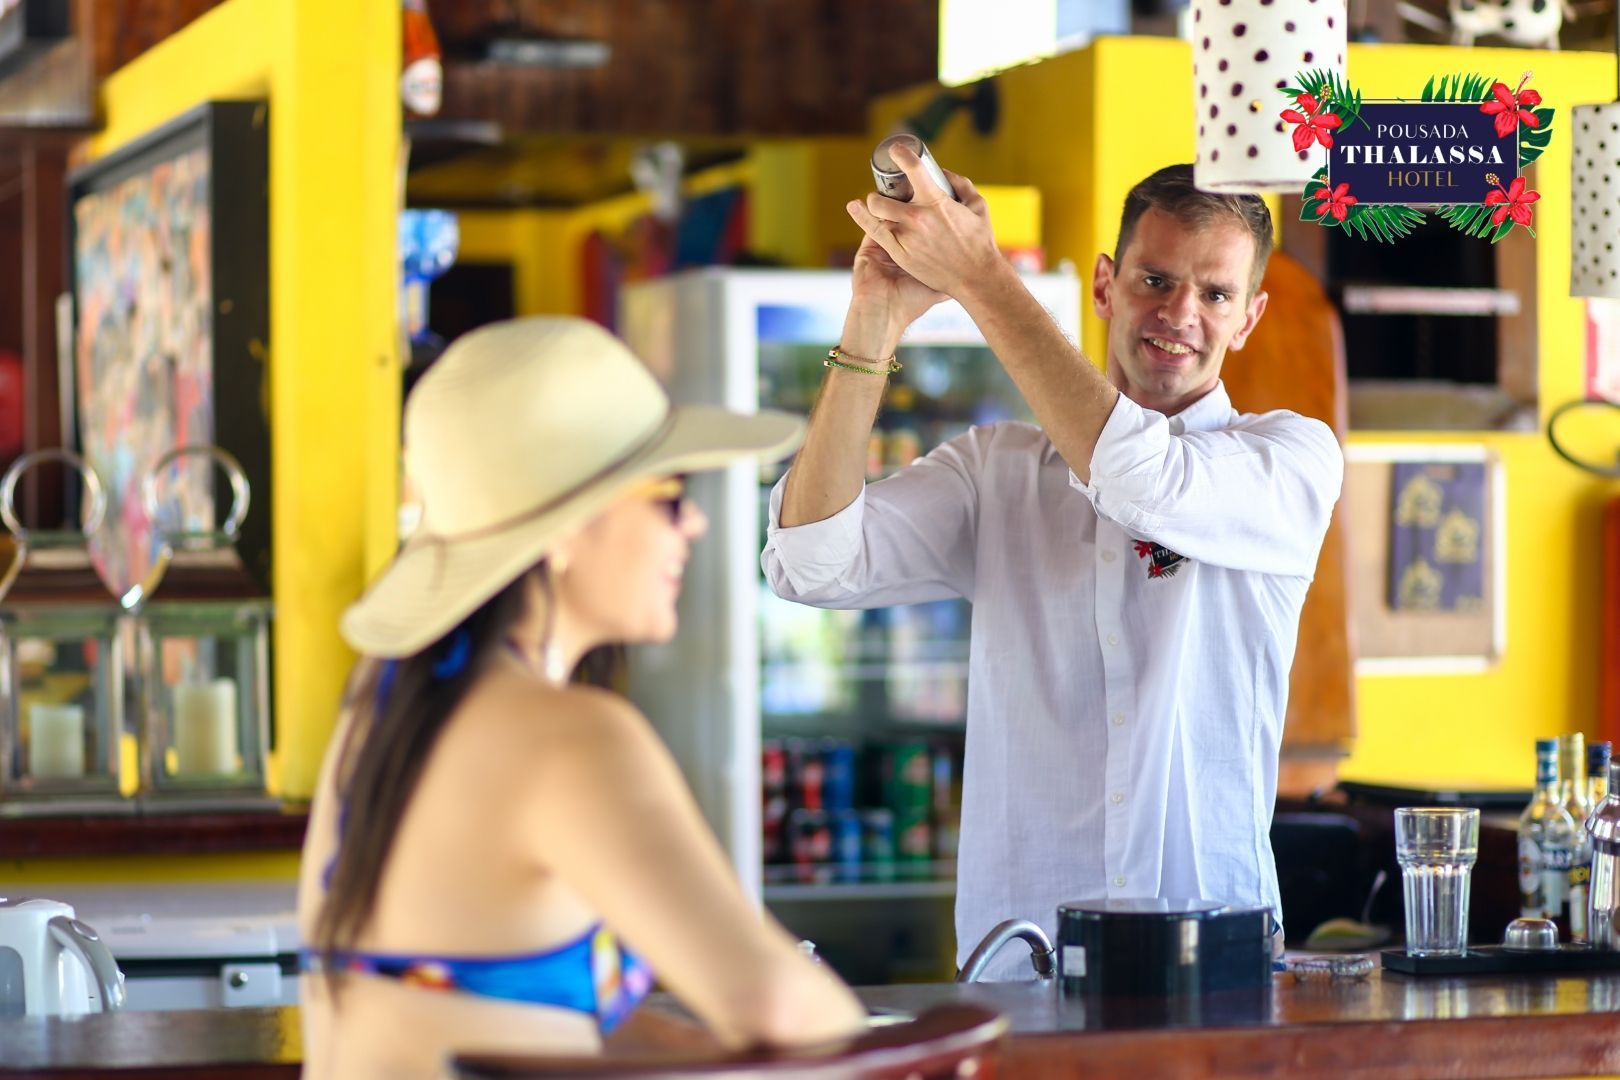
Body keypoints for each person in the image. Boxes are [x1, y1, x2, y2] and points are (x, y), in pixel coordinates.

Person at [763, 151, 1344, 979]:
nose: (1181, 312)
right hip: (1019, 959)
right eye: (1155, 280)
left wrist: (980, 276)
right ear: (1106, 286)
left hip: (1210, 955)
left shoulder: (1290, 458)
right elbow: (810, 564)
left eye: (1215, 294)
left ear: (1248, 318)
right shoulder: (996, 469)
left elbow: (1142, 479)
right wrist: (874, 319)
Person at [296, 317, 866, 1078]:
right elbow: (780, 1006)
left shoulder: (389, 698)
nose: (692, 523)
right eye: (671, 494)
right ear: (562, 530)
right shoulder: (568, 736)